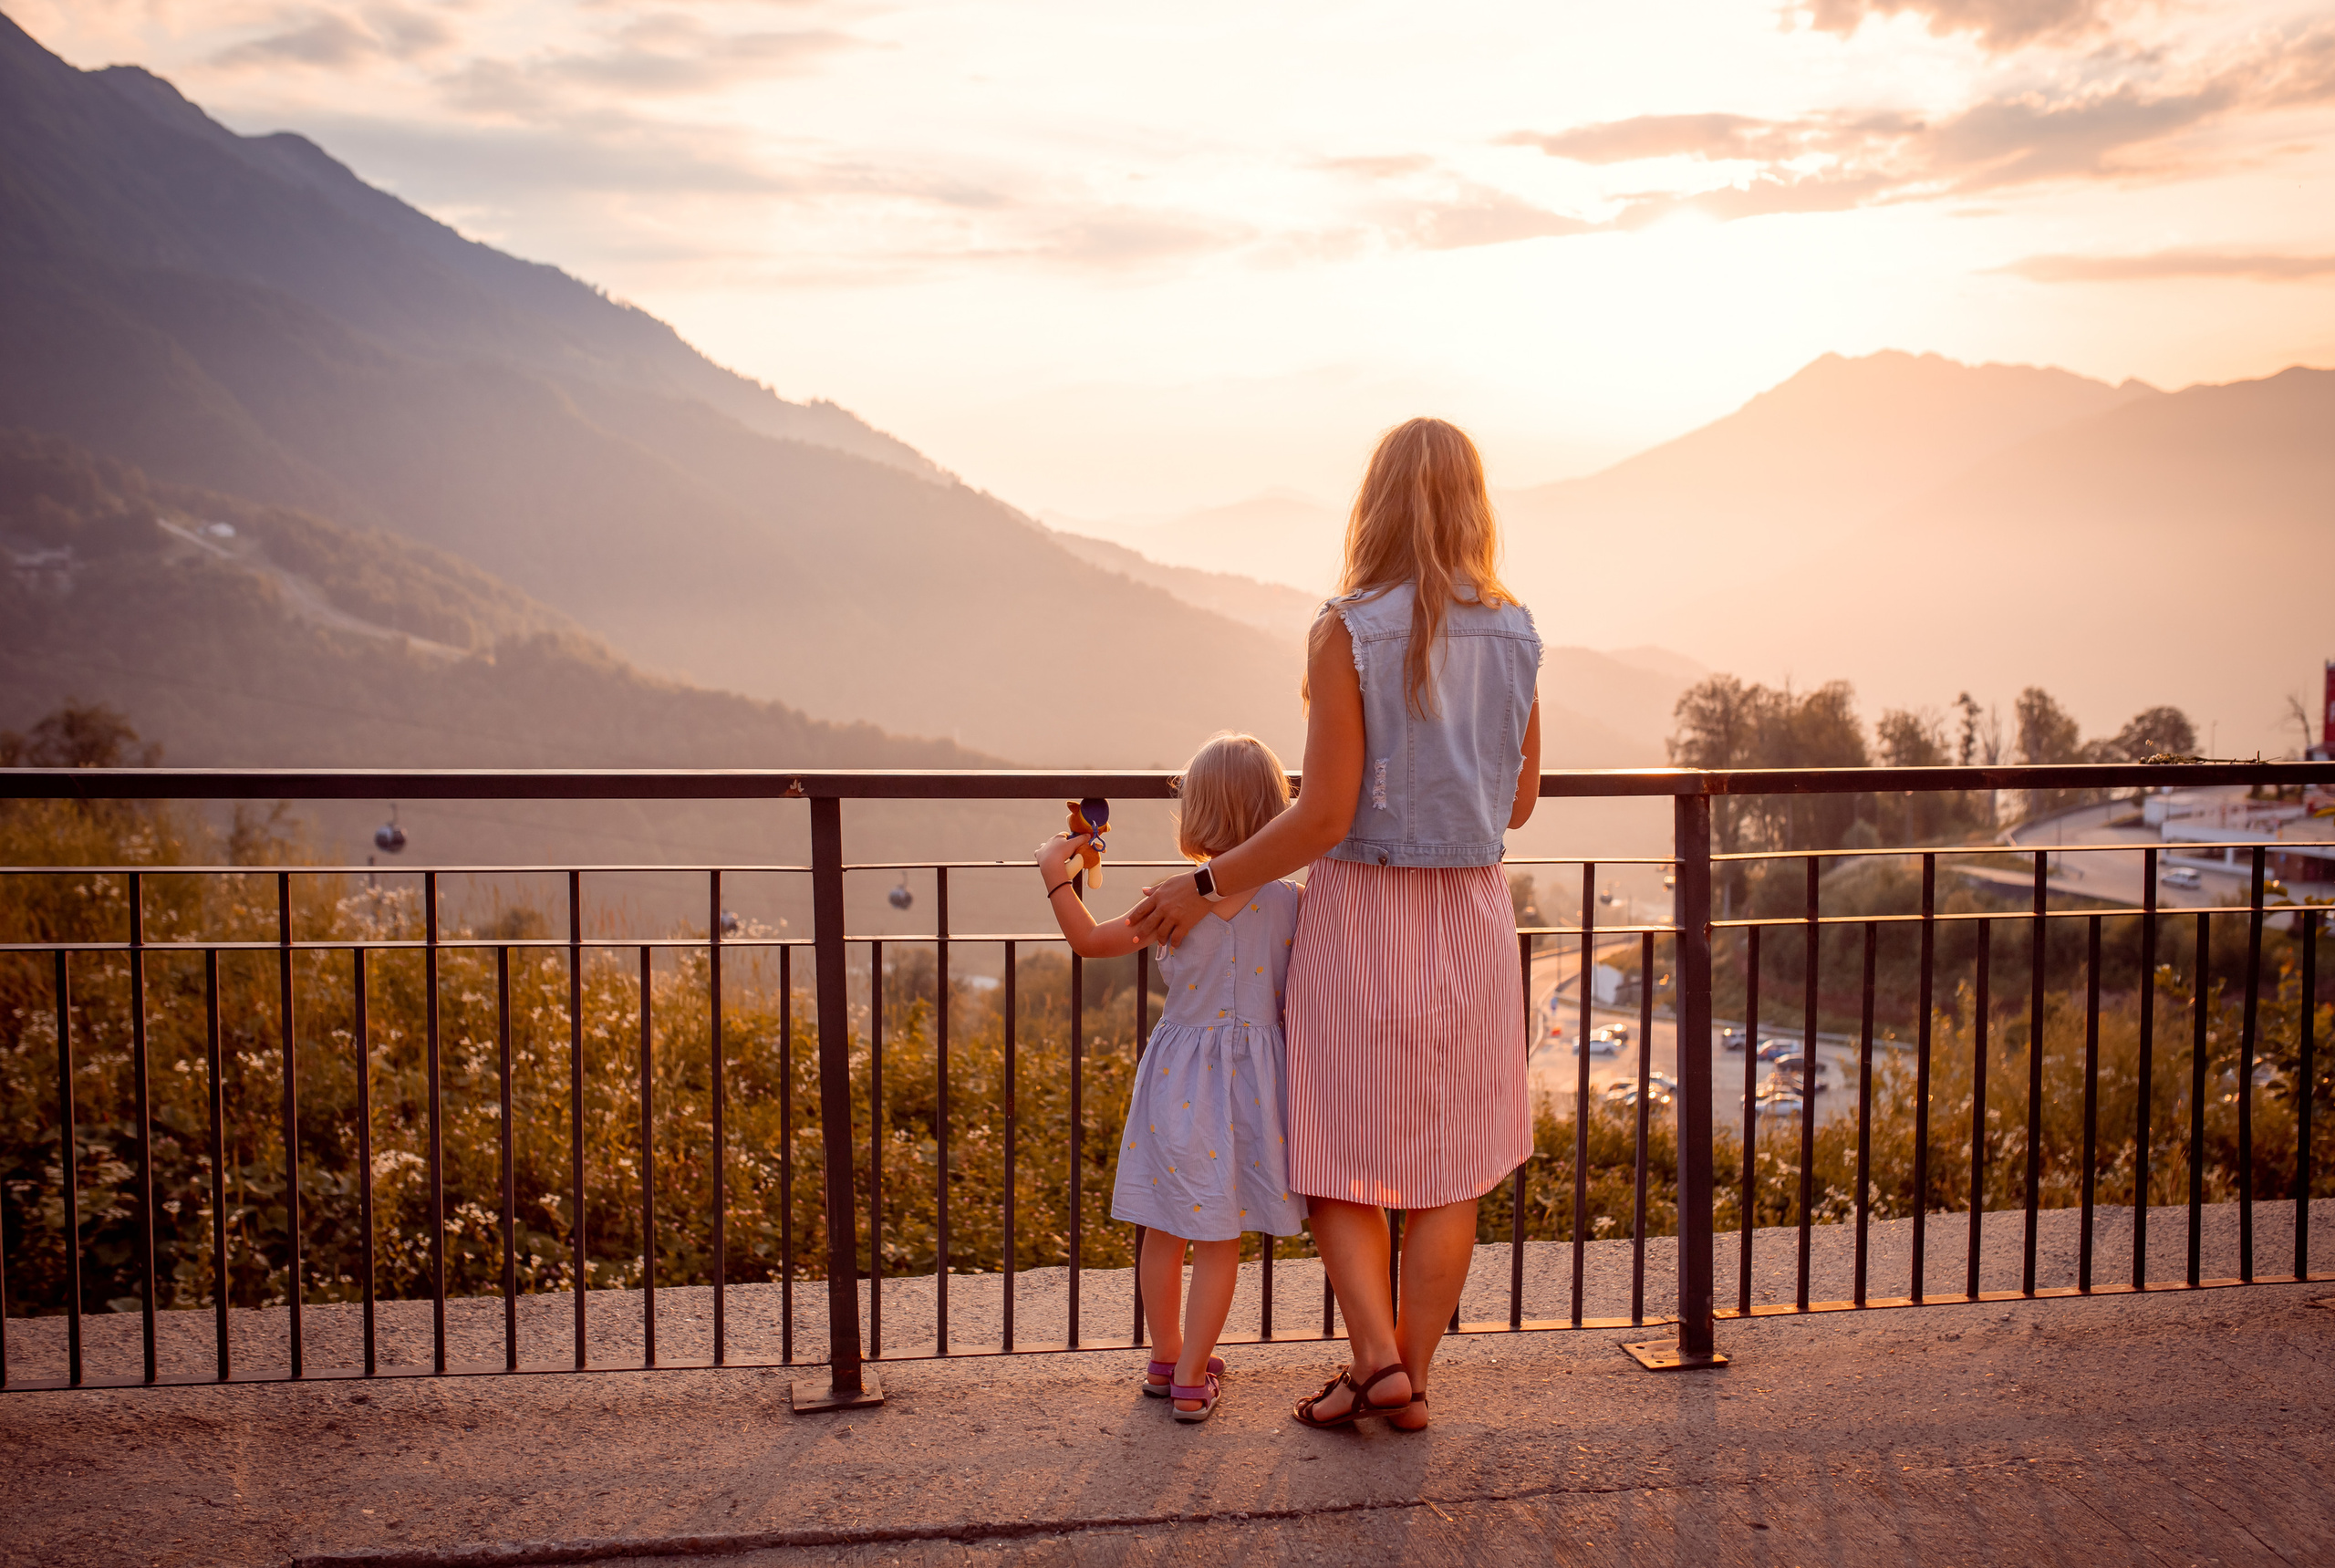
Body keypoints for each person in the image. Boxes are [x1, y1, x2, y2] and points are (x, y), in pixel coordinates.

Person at [1129, 418, 1541, 1432]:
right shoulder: (1517, 626)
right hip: (1472, 917)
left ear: (1376, 501)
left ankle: (1371, 1362)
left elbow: (1322, 814)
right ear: (1475, 502)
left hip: (1363, 912)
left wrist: (1207, 884)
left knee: (1335, 1145)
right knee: (1452, 1164)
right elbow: (1520, 801)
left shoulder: (1345, 627)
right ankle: (1412, 1379)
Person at [1033, 732, 1309, 1423]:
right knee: (1221, 1236)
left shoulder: (1170, 899)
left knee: (1165, 1226)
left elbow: (1091, 941)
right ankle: (1192, 1377)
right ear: (1276, 808)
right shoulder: (1291, 903)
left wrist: (1054, 876)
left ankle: (1166, 1356)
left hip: (1178, 1080)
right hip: (1251, 1085)